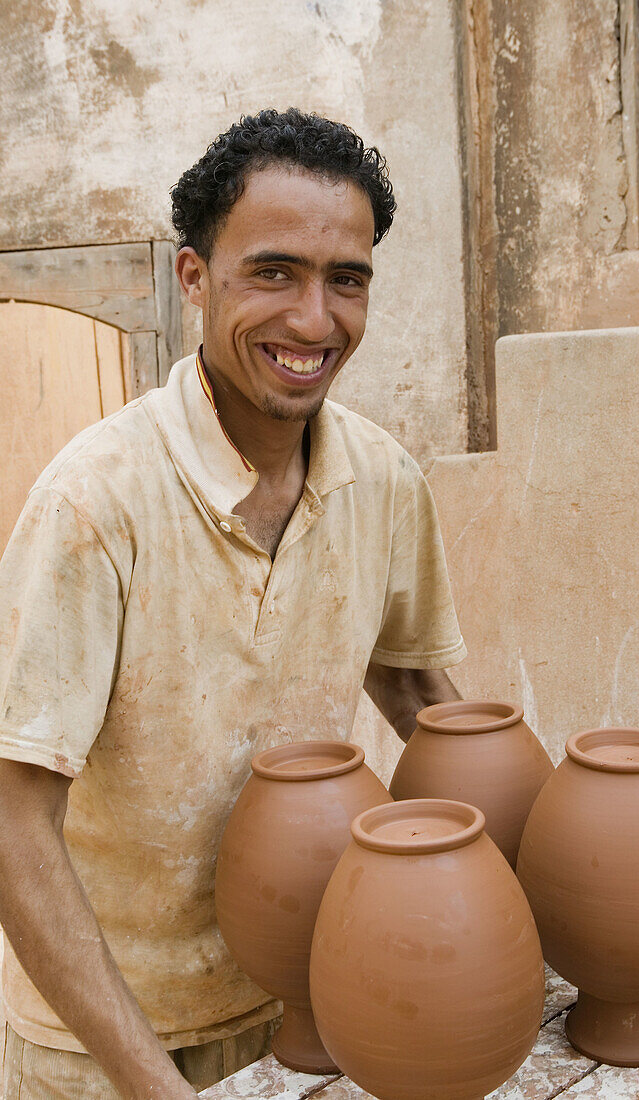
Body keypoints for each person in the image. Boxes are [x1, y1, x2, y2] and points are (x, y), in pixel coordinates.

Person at [0, 107, 466, 1098]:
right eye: (273, 272)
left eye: (347, 280)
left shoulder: (381, 479)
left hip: (312, 1009)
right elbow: (12, 821)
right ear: (193, 278)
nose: (313, 319)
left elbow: (420, 688)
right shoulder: (96, 503)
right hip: (107, 1043)